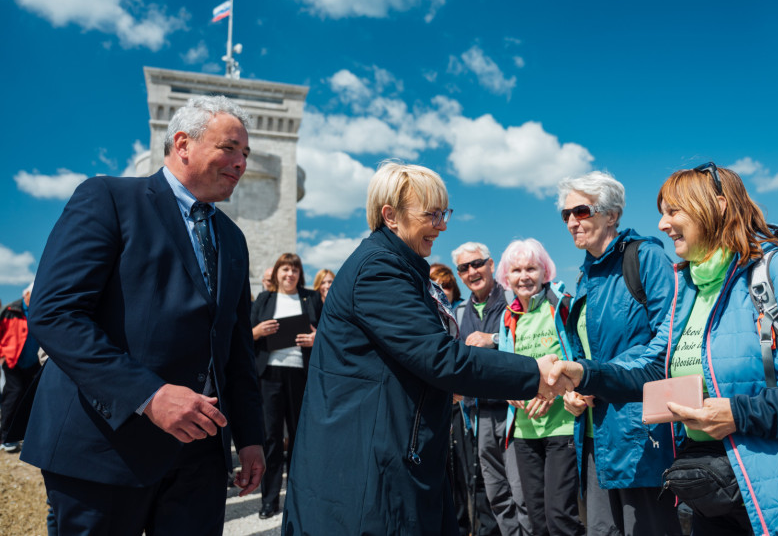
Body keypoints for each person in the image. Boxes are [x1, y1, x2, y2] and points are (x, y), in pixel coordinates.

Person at [22, 96, 266, 536]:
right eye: (229, 148)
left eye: (245, 154)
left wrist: (250, 437)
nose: (240, 163)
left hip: (199, 462)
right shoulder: (109, 198)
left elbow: (234, 348)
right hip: (105, 449)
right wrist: (149, 396)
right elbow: (55, 313)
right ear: (183, 143)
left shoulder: (232, 239)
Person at [552, 163, 778, 536]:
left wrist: (739, 414)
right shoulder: (688, 286)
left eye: (673, 211)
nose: (661, 224)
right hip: (711, 488)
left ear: (717, 205)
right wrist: (587, 374)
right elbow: (656, 366)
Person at [281, 160, 566, 536]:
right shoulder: (379, 270)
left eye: (444, 213)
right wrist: (533, 372)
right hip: (371, 470)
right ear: (391, 216)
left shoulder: (397, 266)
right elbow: (439, 357)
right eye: (432, 214)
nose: (443, 224)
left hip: (389, 453)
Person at [556, 171, 682, 535]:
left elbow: (668, 338)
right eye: (565, 215)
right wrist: (574, 391)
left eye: (581, 211)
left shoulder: (645, 258)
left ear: (611, 214)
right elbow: (582, 352)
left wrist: (594, 375)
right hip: (593, 434)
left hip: (640, 431)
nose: (571, 222)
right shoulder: (585, 277)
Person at [496, 239, 584, 536]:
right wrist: (510, 390)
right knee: (537, 519)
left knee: (560, 516)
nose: (524, 276)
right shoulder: (507, 316)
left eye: (531, 269)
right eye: (516, 270)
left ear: (544, 270)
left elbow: (579, 359)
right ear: (506, 277)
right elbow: (505, 368)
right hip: (524, 430)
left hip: (562, 427)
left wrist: (552, 391)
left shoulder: (559, 306)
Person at [453, 242, 532, 536]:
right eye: (464, 267)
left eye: (477, 264)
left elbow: (529, 337)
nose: (472, 271)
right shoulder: (459, 312)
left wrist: (495, 339)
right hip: (478, 414)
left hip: (516, 411)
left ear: (490, 264)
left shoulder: (513, 297)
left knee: (522, 491)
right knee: (496, 492)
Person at [251, 253, 322, 520]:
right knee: (270, 438)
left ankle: (297, 499)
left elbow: (328, 330)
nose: (289, 274)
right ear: (277, 273)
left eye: (294, 270)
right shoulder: (265, 299)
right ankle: (269, 500)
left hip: (301, 375)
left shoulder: (310, 298)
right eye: (285, 269)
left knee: (299, 438)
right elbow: (245, 334)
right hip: (269, 375)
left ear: (299, 274)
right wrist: (257, 331)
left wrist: (317, 338)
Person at [430, 261, 494, 536]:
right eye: (435, 285)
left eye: (445, 286)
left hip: (467, 405)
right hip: (446, 401)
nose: (441, 290)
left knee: (472, 472)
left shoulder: (458, 314)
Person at [0, 282, 41, 452]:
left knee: (28, 397)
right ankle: (5, 437)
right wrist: (2, 355)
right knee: (13, 394)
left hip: (32, 363)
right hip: (12, 361)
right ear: (26, 294)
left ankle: (21, 435)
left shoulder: (41, 309)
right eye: (34, 294)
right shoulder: (11, 309)